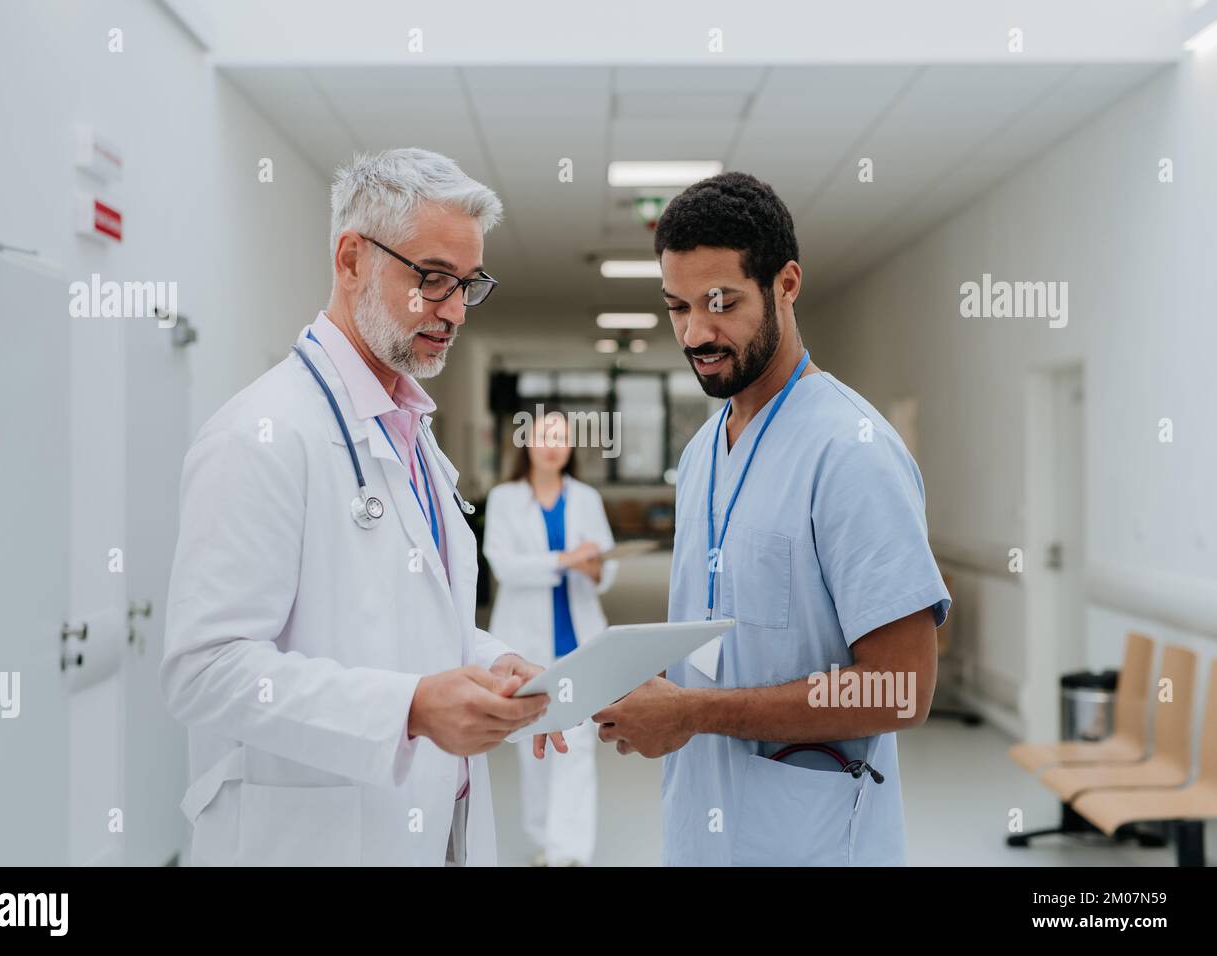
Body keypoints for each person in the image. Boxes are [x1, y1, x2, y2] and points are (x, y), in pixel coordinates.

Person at [160, 148, 564, 867]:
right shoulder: (263, 435)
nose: (453, 310)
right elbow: (204, 671)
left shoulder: (408, 433)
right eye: (433, 278)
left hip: (433, 827)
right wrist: (407, 708)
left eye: (468, 285)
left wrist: (497, 661)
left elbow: (410, 625)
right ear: (353, 260)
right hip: (312, 840)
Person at [592, 171, 951, 866]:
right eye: (677, 306)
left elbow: (904, 688)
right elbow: (715, 634)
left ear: (787, 284)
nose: (696, 332)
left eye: (720, 302)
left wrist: (695, 713)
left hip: (810, 838)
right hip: (701, 827)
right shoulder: (701, 455)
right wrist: (646, 689)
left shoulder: (852, 453)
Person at [483, 411, 618, 866]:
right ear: (526, 445)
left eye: (561, 438)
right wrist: (564, 558)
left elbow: (606, 564)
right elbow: (504, 566)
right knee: (534, 741)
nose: (553, 446)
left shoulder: (585, 498)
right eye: (544, 437)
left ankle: (570, 852)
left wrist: (593, 566)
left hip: (577, 640)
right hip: (525, 644)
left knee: (577, 745)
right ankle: (544, 840)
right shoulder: (504, 499)